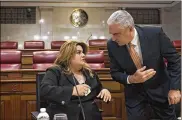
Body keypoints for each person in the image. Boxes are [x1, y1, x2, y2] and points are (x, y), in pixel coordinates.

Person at [107, 10, 181, 120]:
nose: (113, 38)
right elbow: (115, 72)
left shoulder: (155, 34)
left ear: (130, 29)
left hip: (161, 92)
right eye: (111, 34)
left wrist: (175, 88)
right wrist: (131, 79)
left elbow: (175, 60)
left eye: (116, 34)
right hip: (135, 97)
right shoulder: (112, 45)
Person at [40, 41, 111, 120]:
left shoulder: (89, 72)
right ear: (68, 55)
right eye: (79, 52)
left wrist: (104, 90)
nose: (83, 55)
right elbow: (45, 90)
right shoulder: (55, 71)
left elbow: (98, 88)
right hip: (65, 116)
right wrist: (72, 90)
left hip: (91, 116)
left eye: (83, 52)